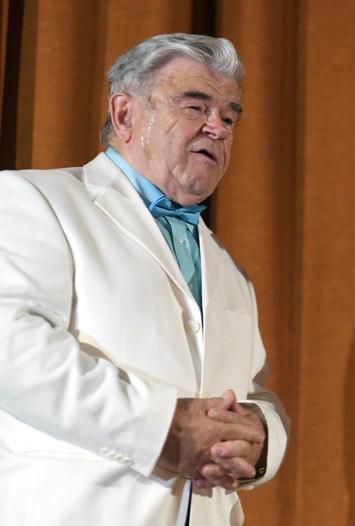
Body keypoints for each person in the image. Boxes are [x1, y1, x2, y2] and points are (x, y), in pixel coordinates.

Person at [0, 33, 289, 525]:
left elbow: (255, 391)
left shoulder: (228, 268)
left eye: (229, 117)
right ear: (125, 115)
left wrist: (262, 440)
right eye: (195, 107)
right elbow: (13, 348)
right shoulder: (34, 200)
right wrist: (163, 430)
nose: (217, 128)